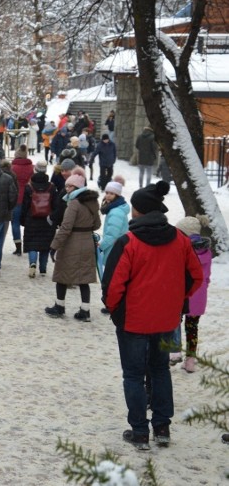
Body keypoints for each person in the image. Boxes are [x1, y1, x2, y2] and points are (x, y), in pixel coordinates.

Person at [102, 181, 203, 451]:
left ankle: (139, 431)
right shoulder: (180, 240)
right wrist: (177, 301)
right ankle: (161, 426)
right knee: (160, 372)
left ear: (138, 211)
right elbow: (195, 277)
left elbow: (112, 286)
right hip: (169, 322)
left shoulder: (129, 242)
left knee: (134, 375)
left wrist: (116, 311)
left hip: (133, 321)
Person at [44, 171, 101, 321]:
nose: (67, 189)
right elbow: (97, 224)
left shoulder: (73, 204)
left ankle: (59, 306)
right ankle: (85, 310)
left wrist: (54, 246)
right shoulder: (92, 202)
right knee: (84, 278)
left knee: (62, 275)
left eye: (69, 186)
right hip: (87, 242)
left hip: (71, 243)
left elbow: (65, 227)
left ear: (76, 187)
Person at [170, 215, 212, 373]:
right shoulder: (207, 251)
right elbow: (206, 277)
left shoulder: (182, 249)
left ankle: (174, 353)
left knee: (174, 322)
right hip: (199, 295)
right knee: (192, 328)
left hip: (184, 293)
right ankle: (190, 361)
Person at [20, 160, 57, 278]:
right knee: (45, 245)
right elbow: (55, 205)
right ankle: (43, 268)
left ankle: (32, 263)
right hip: (47, 220)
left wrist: (23, 219)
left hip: (32, 219)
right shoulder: (51, 187)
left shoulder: (29, 187)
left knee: (32, 244)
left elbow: (25, 205)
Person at [97, 178, 130, 276]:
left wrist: (101, 246)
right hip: (115, 246)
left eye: (111, 193)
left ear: (117, 195)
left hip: (114, 247)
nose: (107, 195)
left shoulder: (116, 212)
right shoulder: (114, 208)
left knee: (112, 275)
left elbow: (112, 234)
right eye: (107, 192)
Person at [10, 144, 34, 257]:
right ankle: (28, 246)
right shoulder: (30, 166)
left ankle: (18, 247)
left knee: (15, 223)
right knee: (29, 222)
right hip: (29, 198)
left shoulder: (13, 167)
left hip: (16, 198)